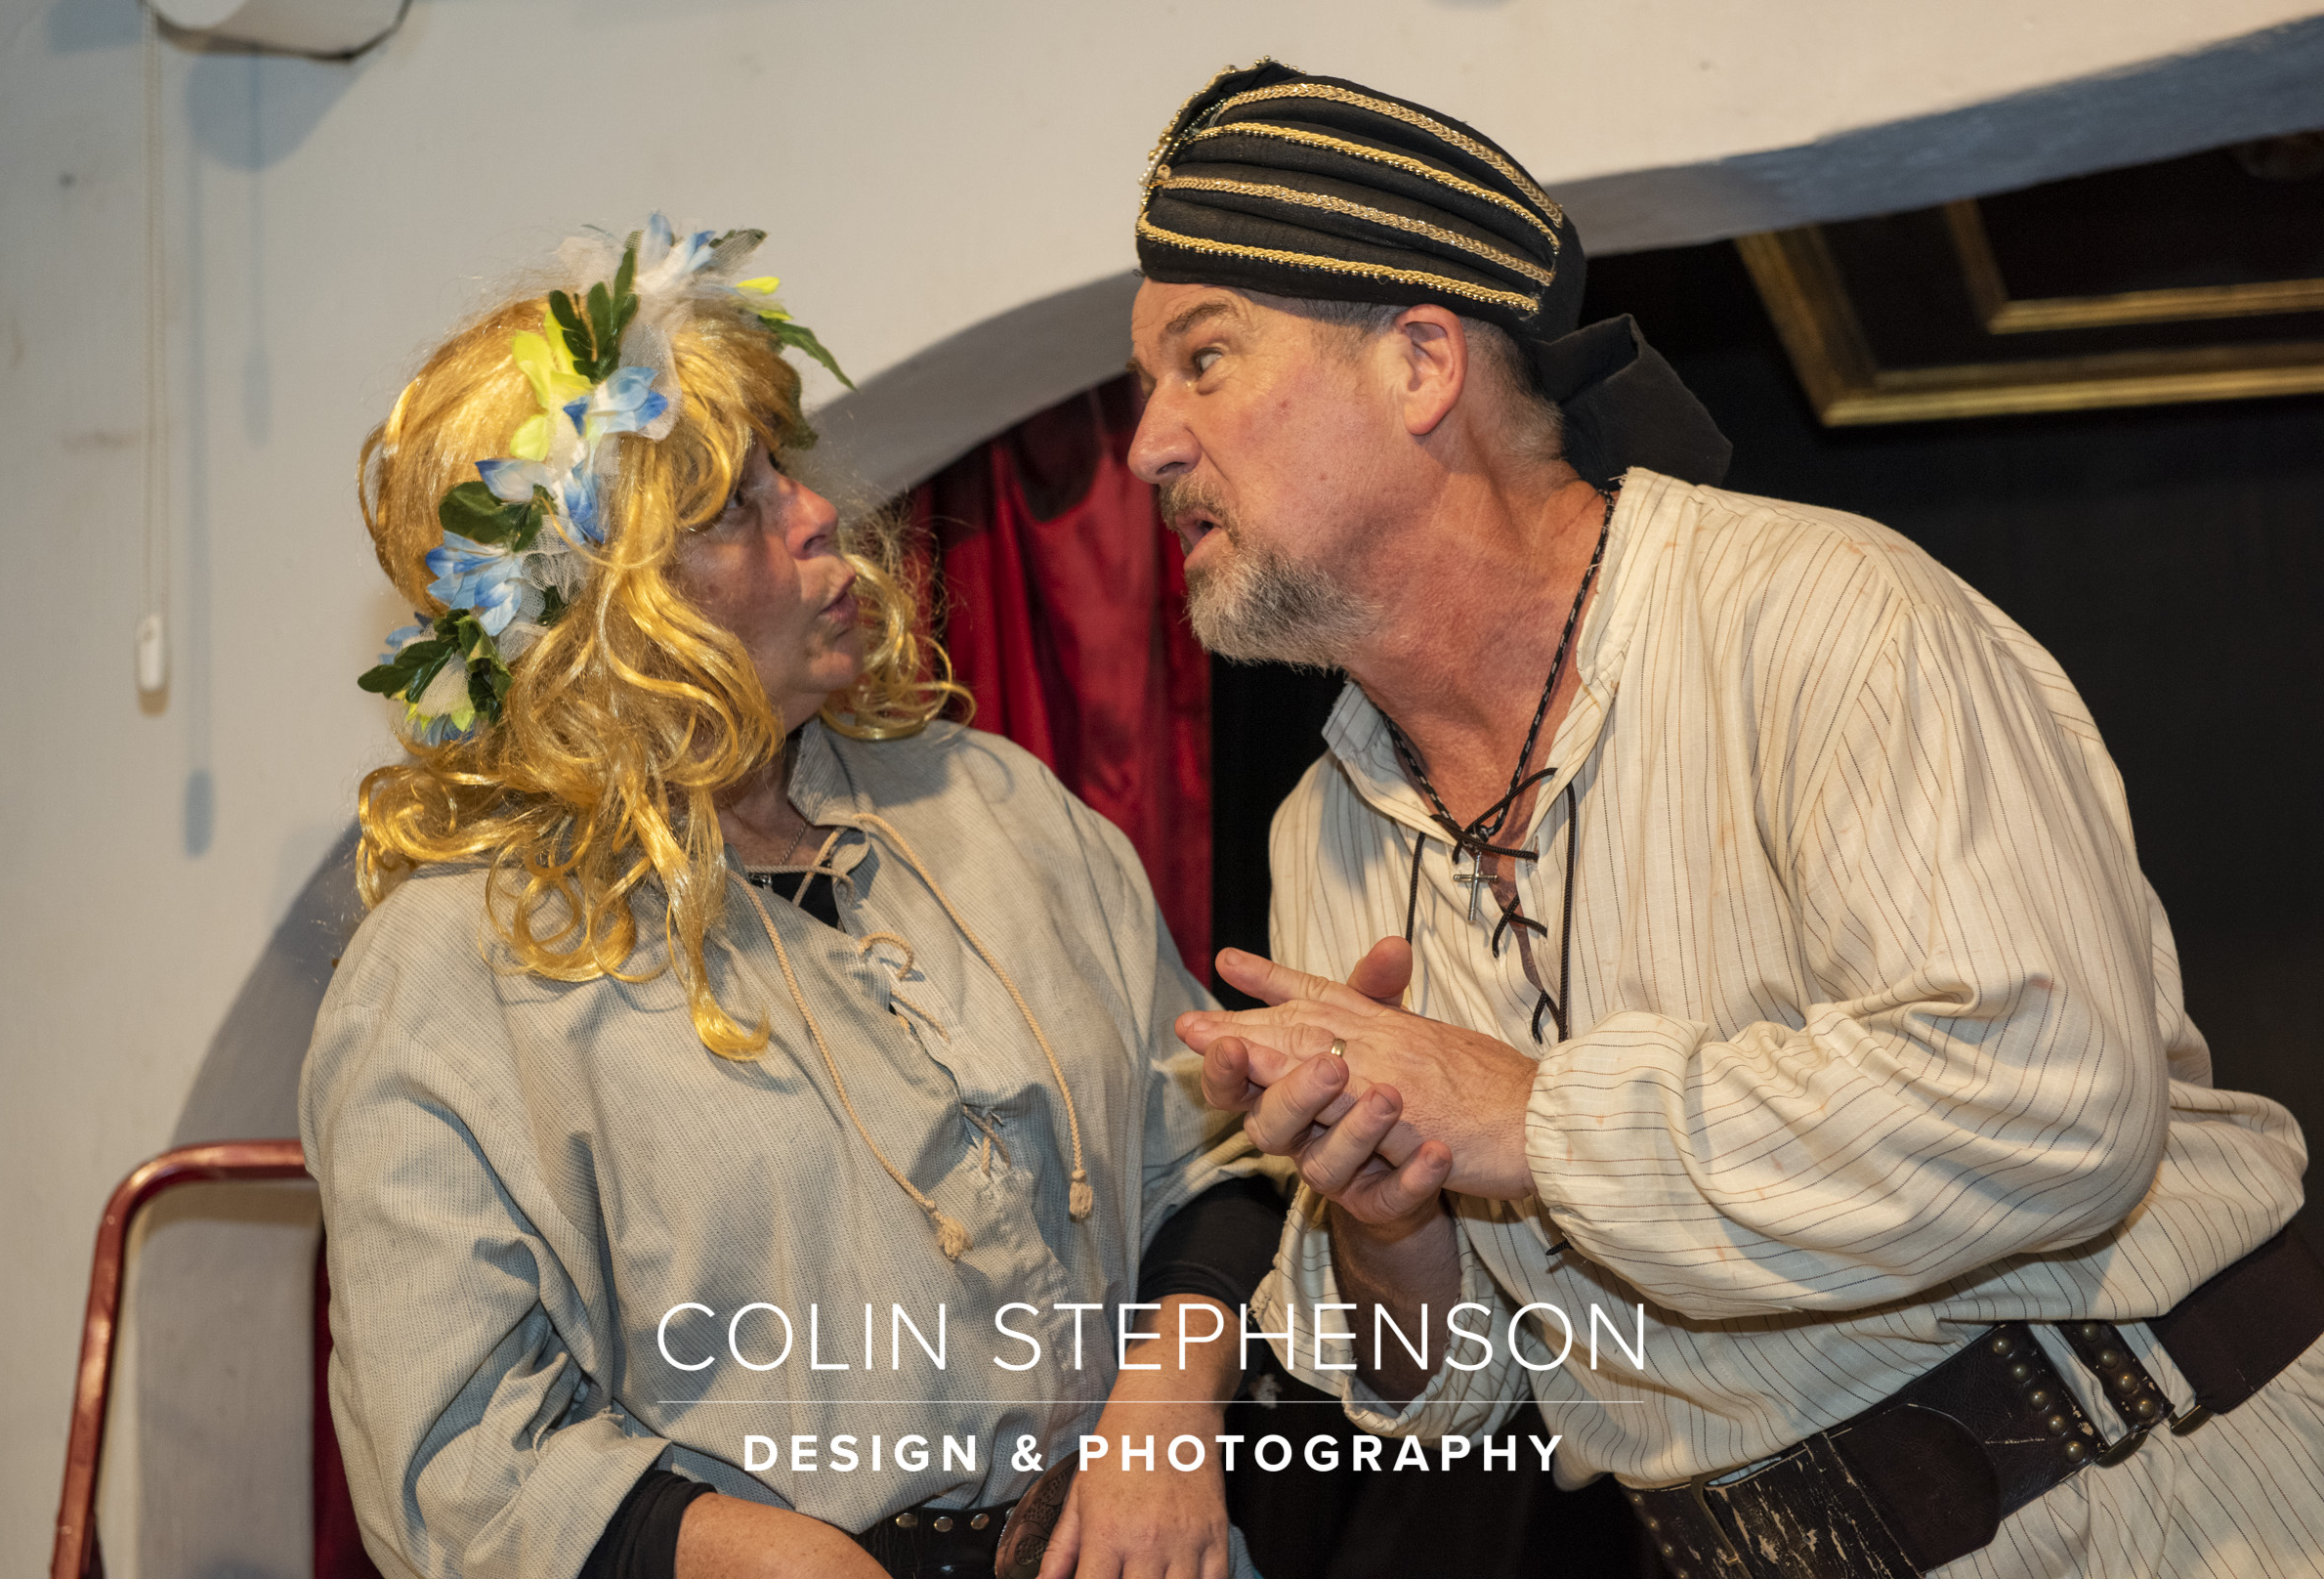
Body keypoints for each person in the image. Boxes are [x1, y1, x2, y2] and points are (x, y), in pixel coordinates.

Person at [1126, 63, 2324, 1579]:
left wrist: (1533, 1118)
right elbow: (1456, 1392)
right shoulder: (1324, 831)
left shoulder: (1824, 614)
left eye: (1204, 360)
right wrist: (1389, 1220)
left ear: (1421, 364)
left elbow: (2054, 1099)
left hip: (2172, 1503)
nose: (1148, 445)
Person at [305, 216, 1280, 1579]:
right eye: (729, 508)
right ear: (601, 611)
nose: (815, 513)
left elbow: (1216, 1165)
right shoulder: (451, 972)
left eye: (783, 470)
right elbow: (454, 1463)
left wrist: (1165, 1415)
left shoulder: (997, 806)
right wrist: (762, 1555)